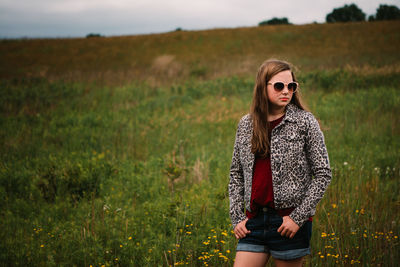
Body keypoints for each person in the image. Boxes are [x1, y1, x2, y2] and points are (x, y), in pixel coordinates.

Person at [228, 59, 332, 267]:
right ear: (262, 87)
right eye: (279, 86)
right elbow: (236, 174)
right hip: (253, 222)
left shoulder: (305, 122)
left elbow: (323, 173)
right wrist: (237, 217)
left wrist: (297, 218)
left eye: (291, 86)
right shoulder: (246, 124)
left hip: (288, 222)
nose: (286, 91)